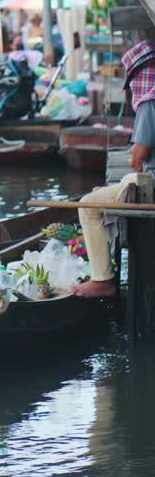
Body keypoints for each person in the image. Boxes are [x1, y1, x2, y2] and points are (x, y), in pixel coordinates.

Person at [73, 39, 155, 298]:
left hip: (153, 185)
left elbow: (139, 156)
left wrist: (135, 154)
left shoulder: (149, 102)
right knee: (110, 189)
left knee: (87, 206)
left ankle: (102, 279)